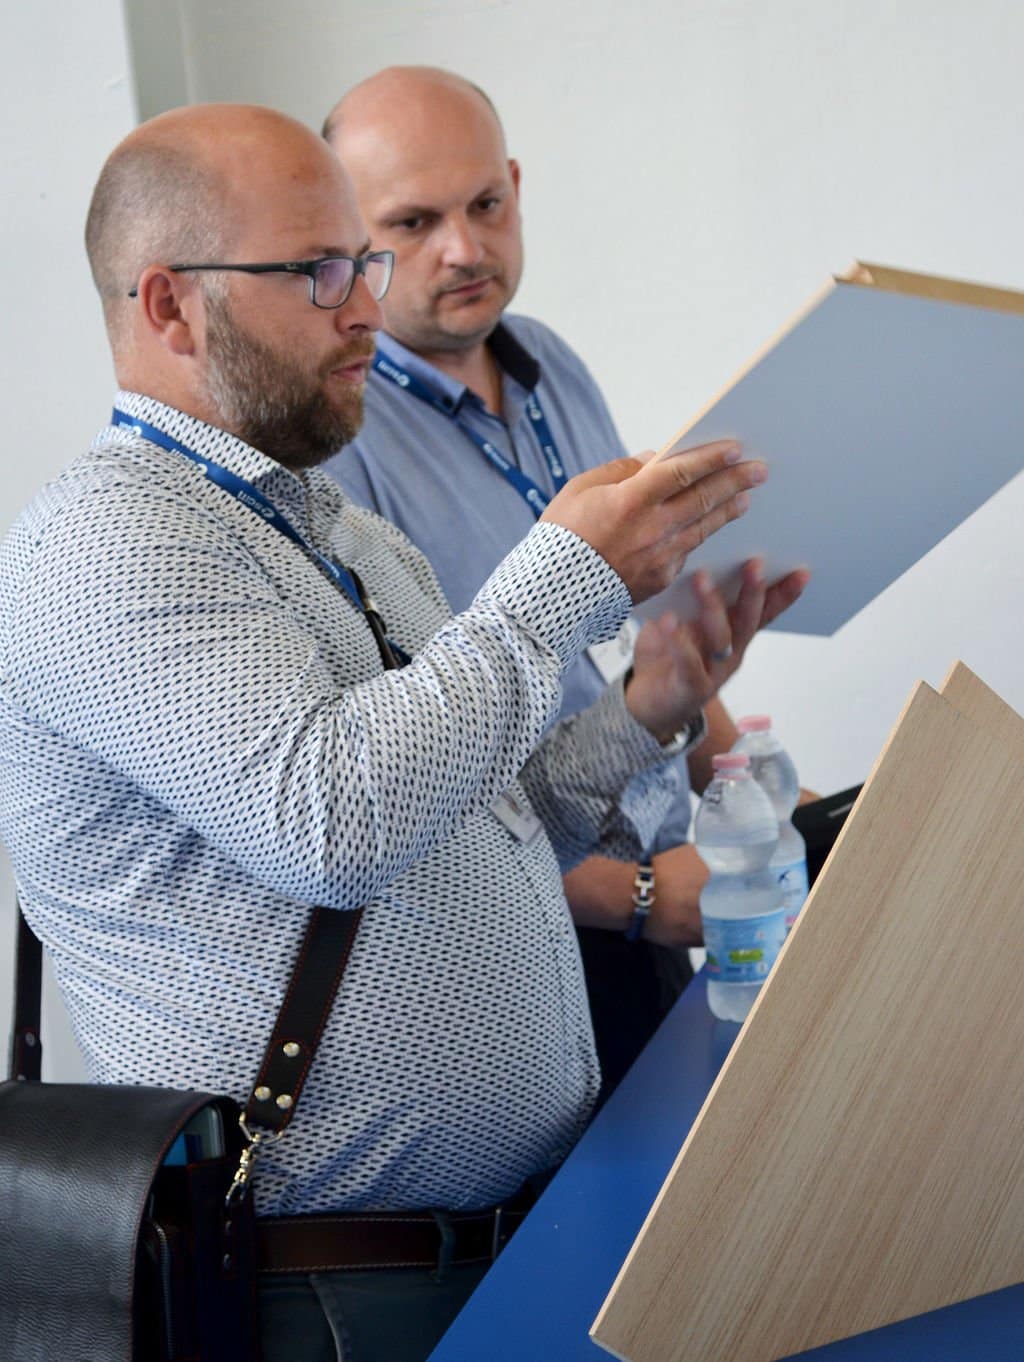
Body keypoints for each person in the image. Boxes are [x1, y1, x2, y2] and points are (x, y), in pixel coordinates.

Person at [0, 103, 802, 1362]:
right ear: (170, 306)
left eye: (361, 264)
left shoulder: (340, 533)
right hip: (323, 1291)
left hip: (490, 1243)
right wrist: (561, 575)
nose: (367, 307)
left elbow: (485, 821)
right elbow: (332, 823)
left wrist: (647, 707)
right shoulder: (105, 542)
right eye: (320, 271)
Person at [321, 67, 770, 1096]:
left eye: (486, 204)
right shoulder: (339, 444)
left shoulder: (550, 364)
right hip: (535, 935)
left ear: (517, 185)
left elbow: (648, 640)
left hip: (671, 894)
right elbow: (402, 803)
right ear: (346, 239)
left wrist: (753, 791)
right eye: (413, 222)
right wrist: (641, 897)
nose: (464, 248)